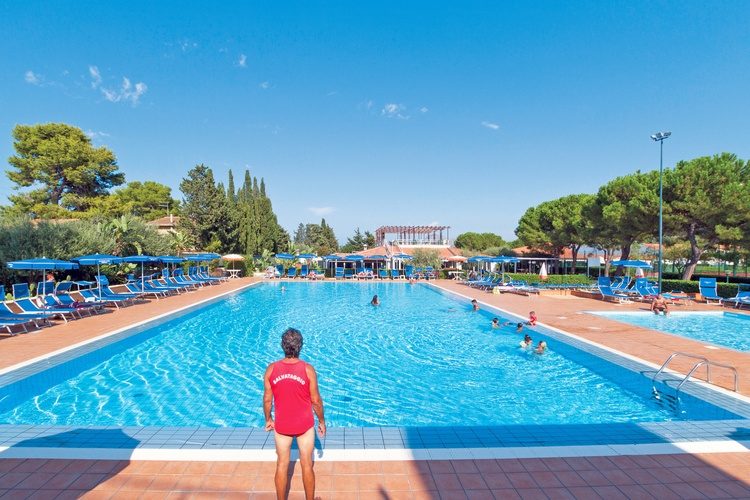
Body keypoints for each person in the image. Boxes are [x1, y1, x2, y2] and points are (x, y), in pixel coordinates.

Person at [264, 328, 326, 500]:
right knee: (307, 465)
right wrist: (322, 421)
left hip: (282, 426)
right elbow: (316, 401)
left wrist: (268, 419)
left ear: (283, 345)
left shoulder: (271, 369)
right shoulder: (307, 370)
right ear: (300, 346)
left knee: (282, 465)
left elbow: (267, 400)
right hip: (304, 426)